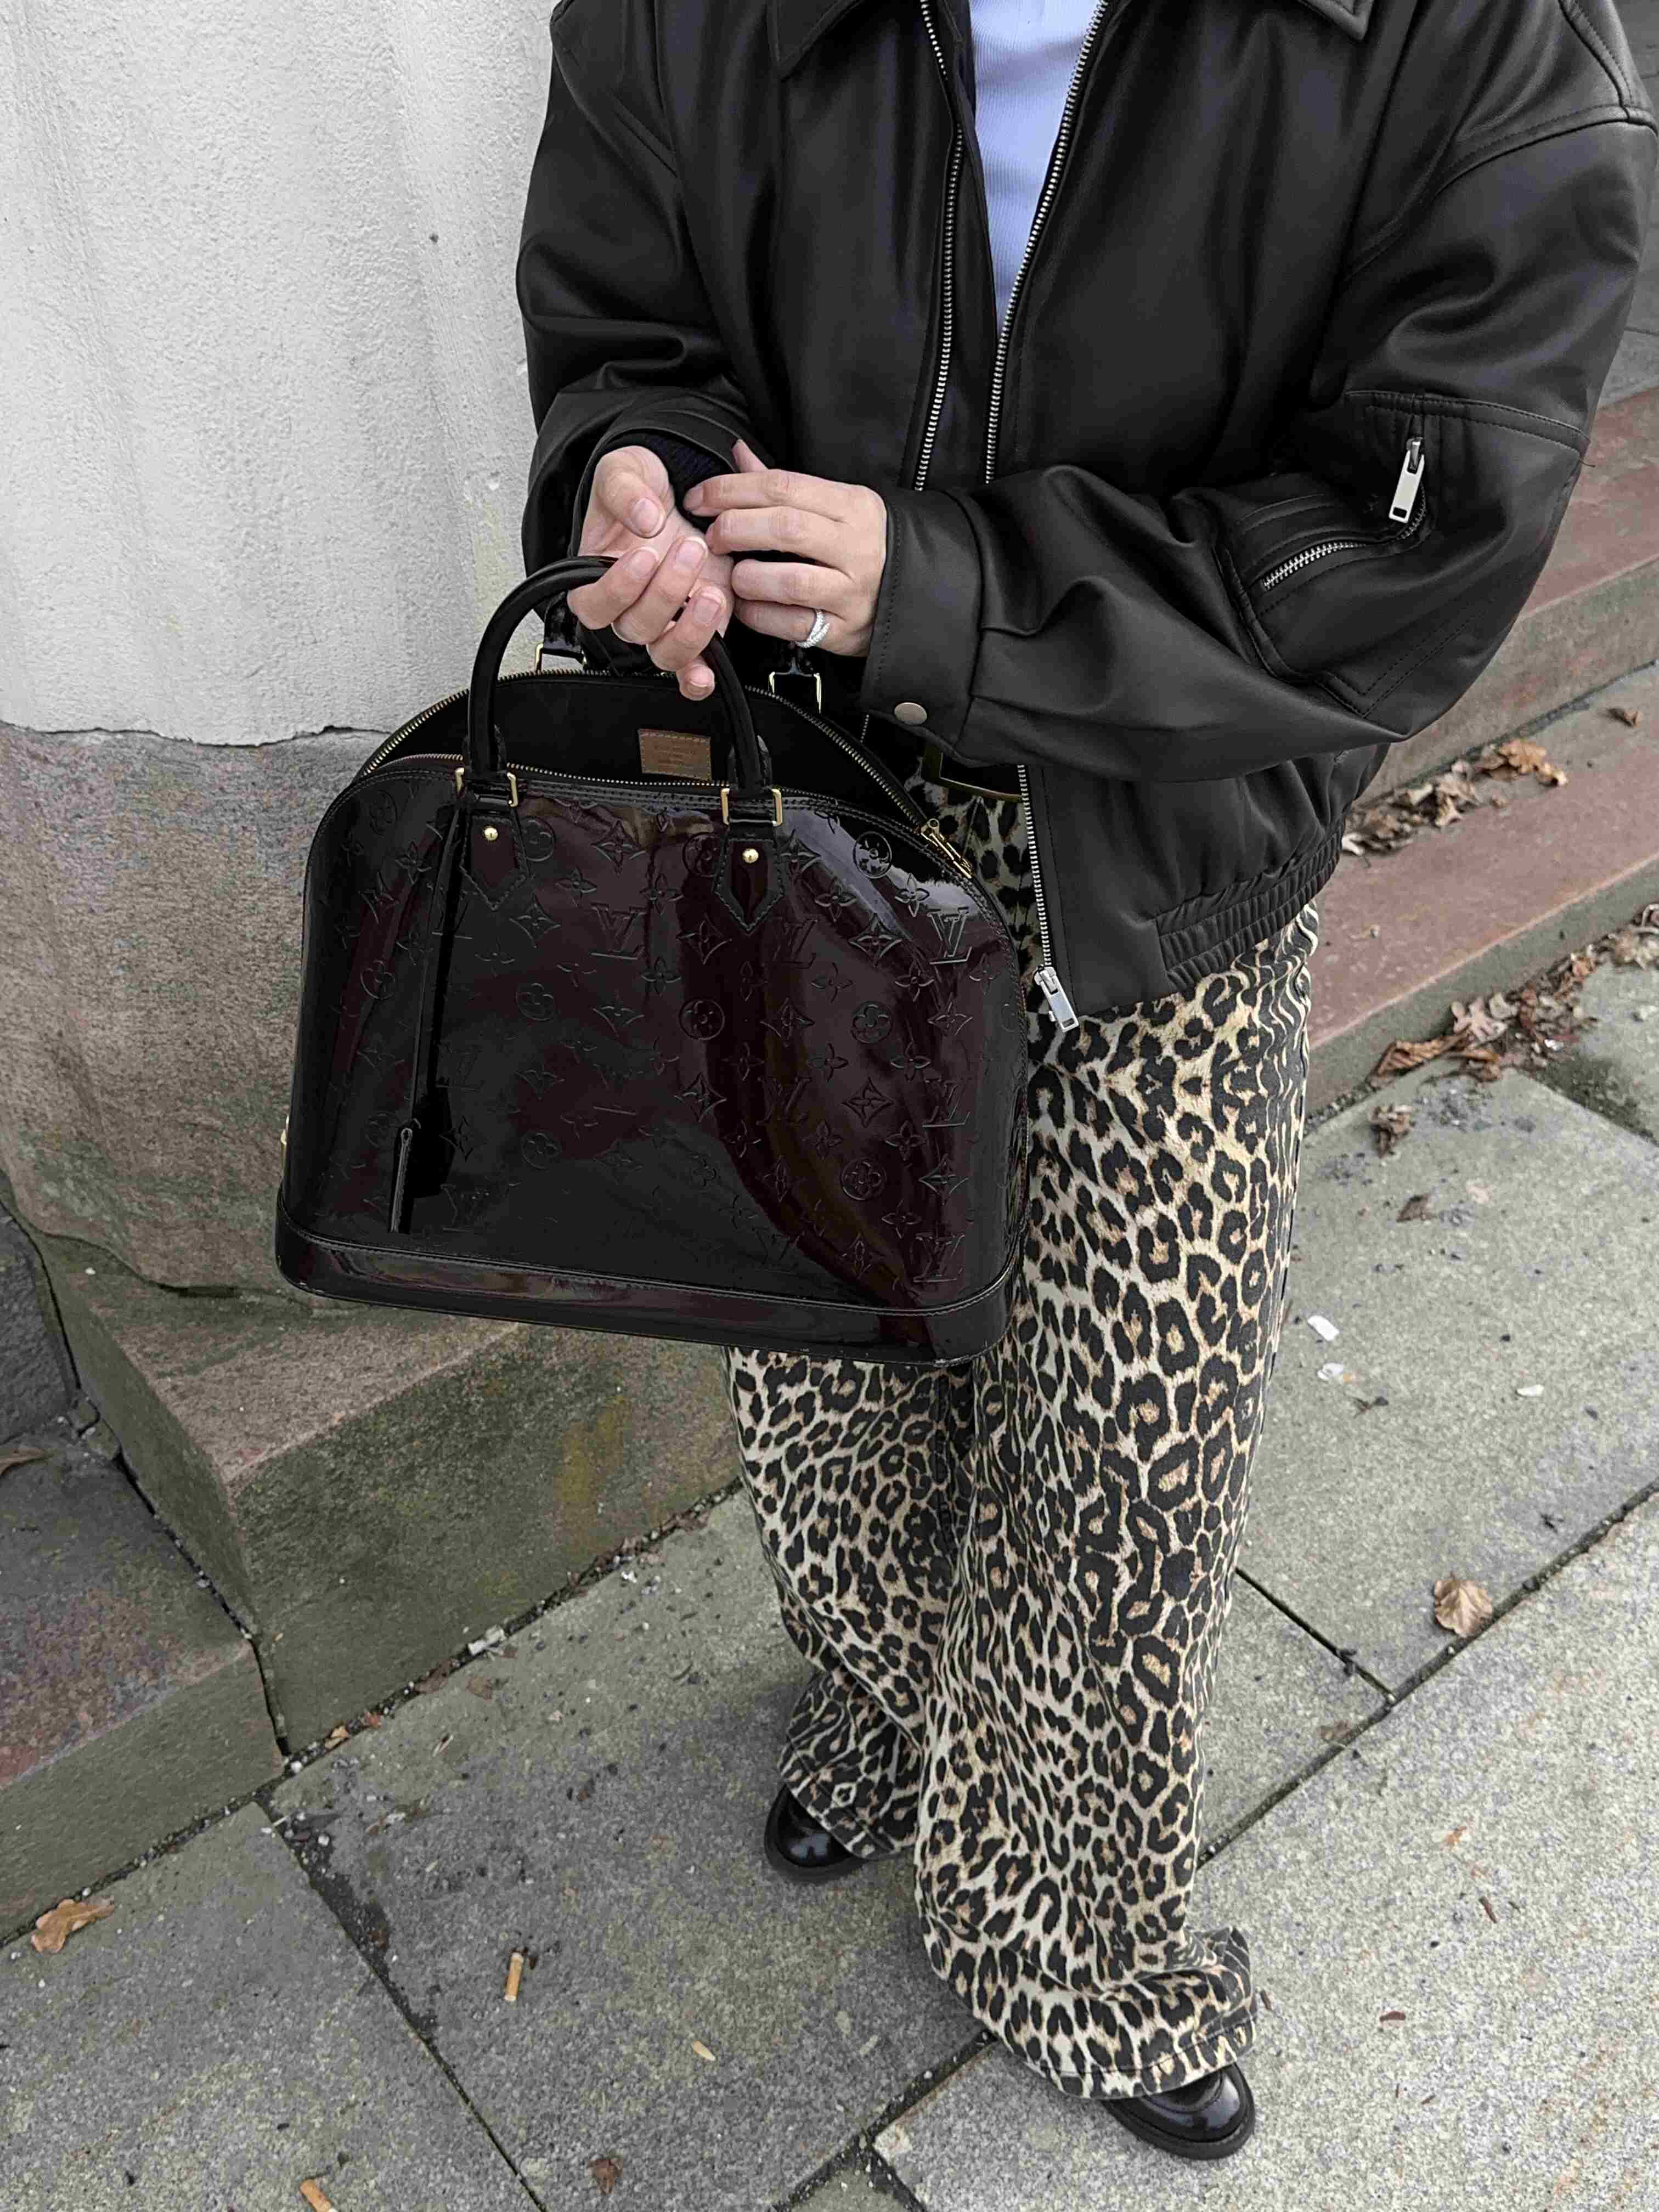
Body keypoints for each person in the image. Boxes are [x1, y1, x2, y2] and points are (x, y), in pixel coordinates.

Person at [515, 0, 1655, 2164]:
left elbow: (1422, 531)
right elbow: (622, 295)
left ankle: (1070, 1918)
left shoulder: (1479, 39)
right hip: (805, 769)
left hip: (1163, 819)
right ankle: (879, 1685)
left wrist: (949, 585)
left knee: (1130, 1427)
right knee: (828, 1338)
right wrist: (627, 475)